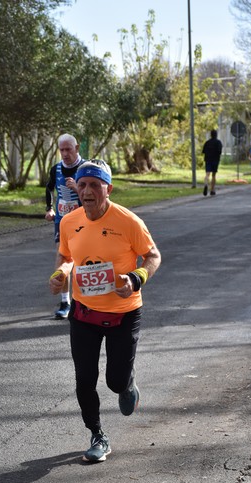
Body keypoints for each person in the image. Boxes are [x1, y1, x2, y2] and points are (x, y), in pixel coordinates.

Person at [49, 159, 161, 462]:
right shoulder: (69, 221)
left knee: (114, 381)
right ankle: (97, 434)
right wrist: (61, 273)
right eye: (82, 184)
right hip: (84, 312)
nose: (87, 191)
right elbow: (65, 255)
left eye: (94, 185)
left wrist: (136, 278)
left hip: (123, 312)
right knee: (84, 378)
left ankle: (127, 382)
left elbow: (152, 255)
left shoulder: (128, 221)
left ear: (107, 189)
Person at [45, 134, 85, 319]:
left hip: (84, 221)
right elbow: (49, 188)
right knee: (62, 259)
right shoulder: (56, 169)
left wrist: (78, 188)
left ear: (77, 148)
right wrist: (49, 209)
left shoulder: (86, 168)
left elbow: (98, 193)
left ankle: (84, 300)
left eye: (69, 149)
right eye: (62, 150)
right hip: (61, 222)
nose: (65, 153)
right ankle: (65, 302)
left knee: (83, 260)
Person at [202, 129, 222, 196]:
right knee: (213, 175)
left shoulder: (207, 142)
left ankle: (206, 184)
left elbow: (203, 151)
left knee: (207, 173)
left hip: (208, 159)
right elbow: (219, 152)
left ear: (211, 135)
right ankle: (212, 190)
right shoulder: (218, 142)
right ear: (216, 135)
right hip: (215, 160)